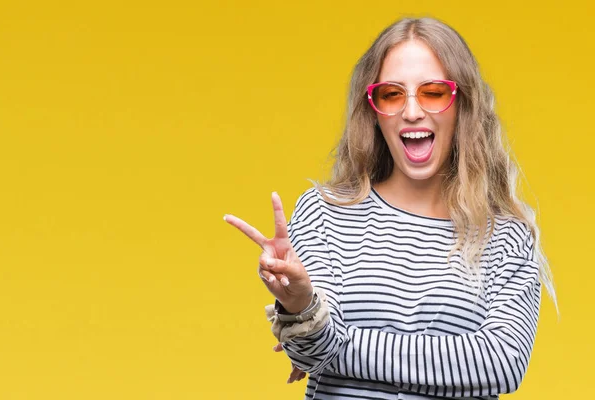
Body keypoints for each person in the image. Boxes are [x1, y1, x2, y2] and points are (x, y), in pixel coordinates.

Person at [224, 16, 557, 399]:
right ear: (374, 110)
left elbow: (501, 363)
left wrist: (333, 340)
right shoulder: (324, 213)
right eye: (392, 94)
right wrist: (300, 305)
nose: (412, 111)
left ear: (461, 104)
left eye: (433, 92)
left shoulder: (506, 236)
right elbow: (311, 349)